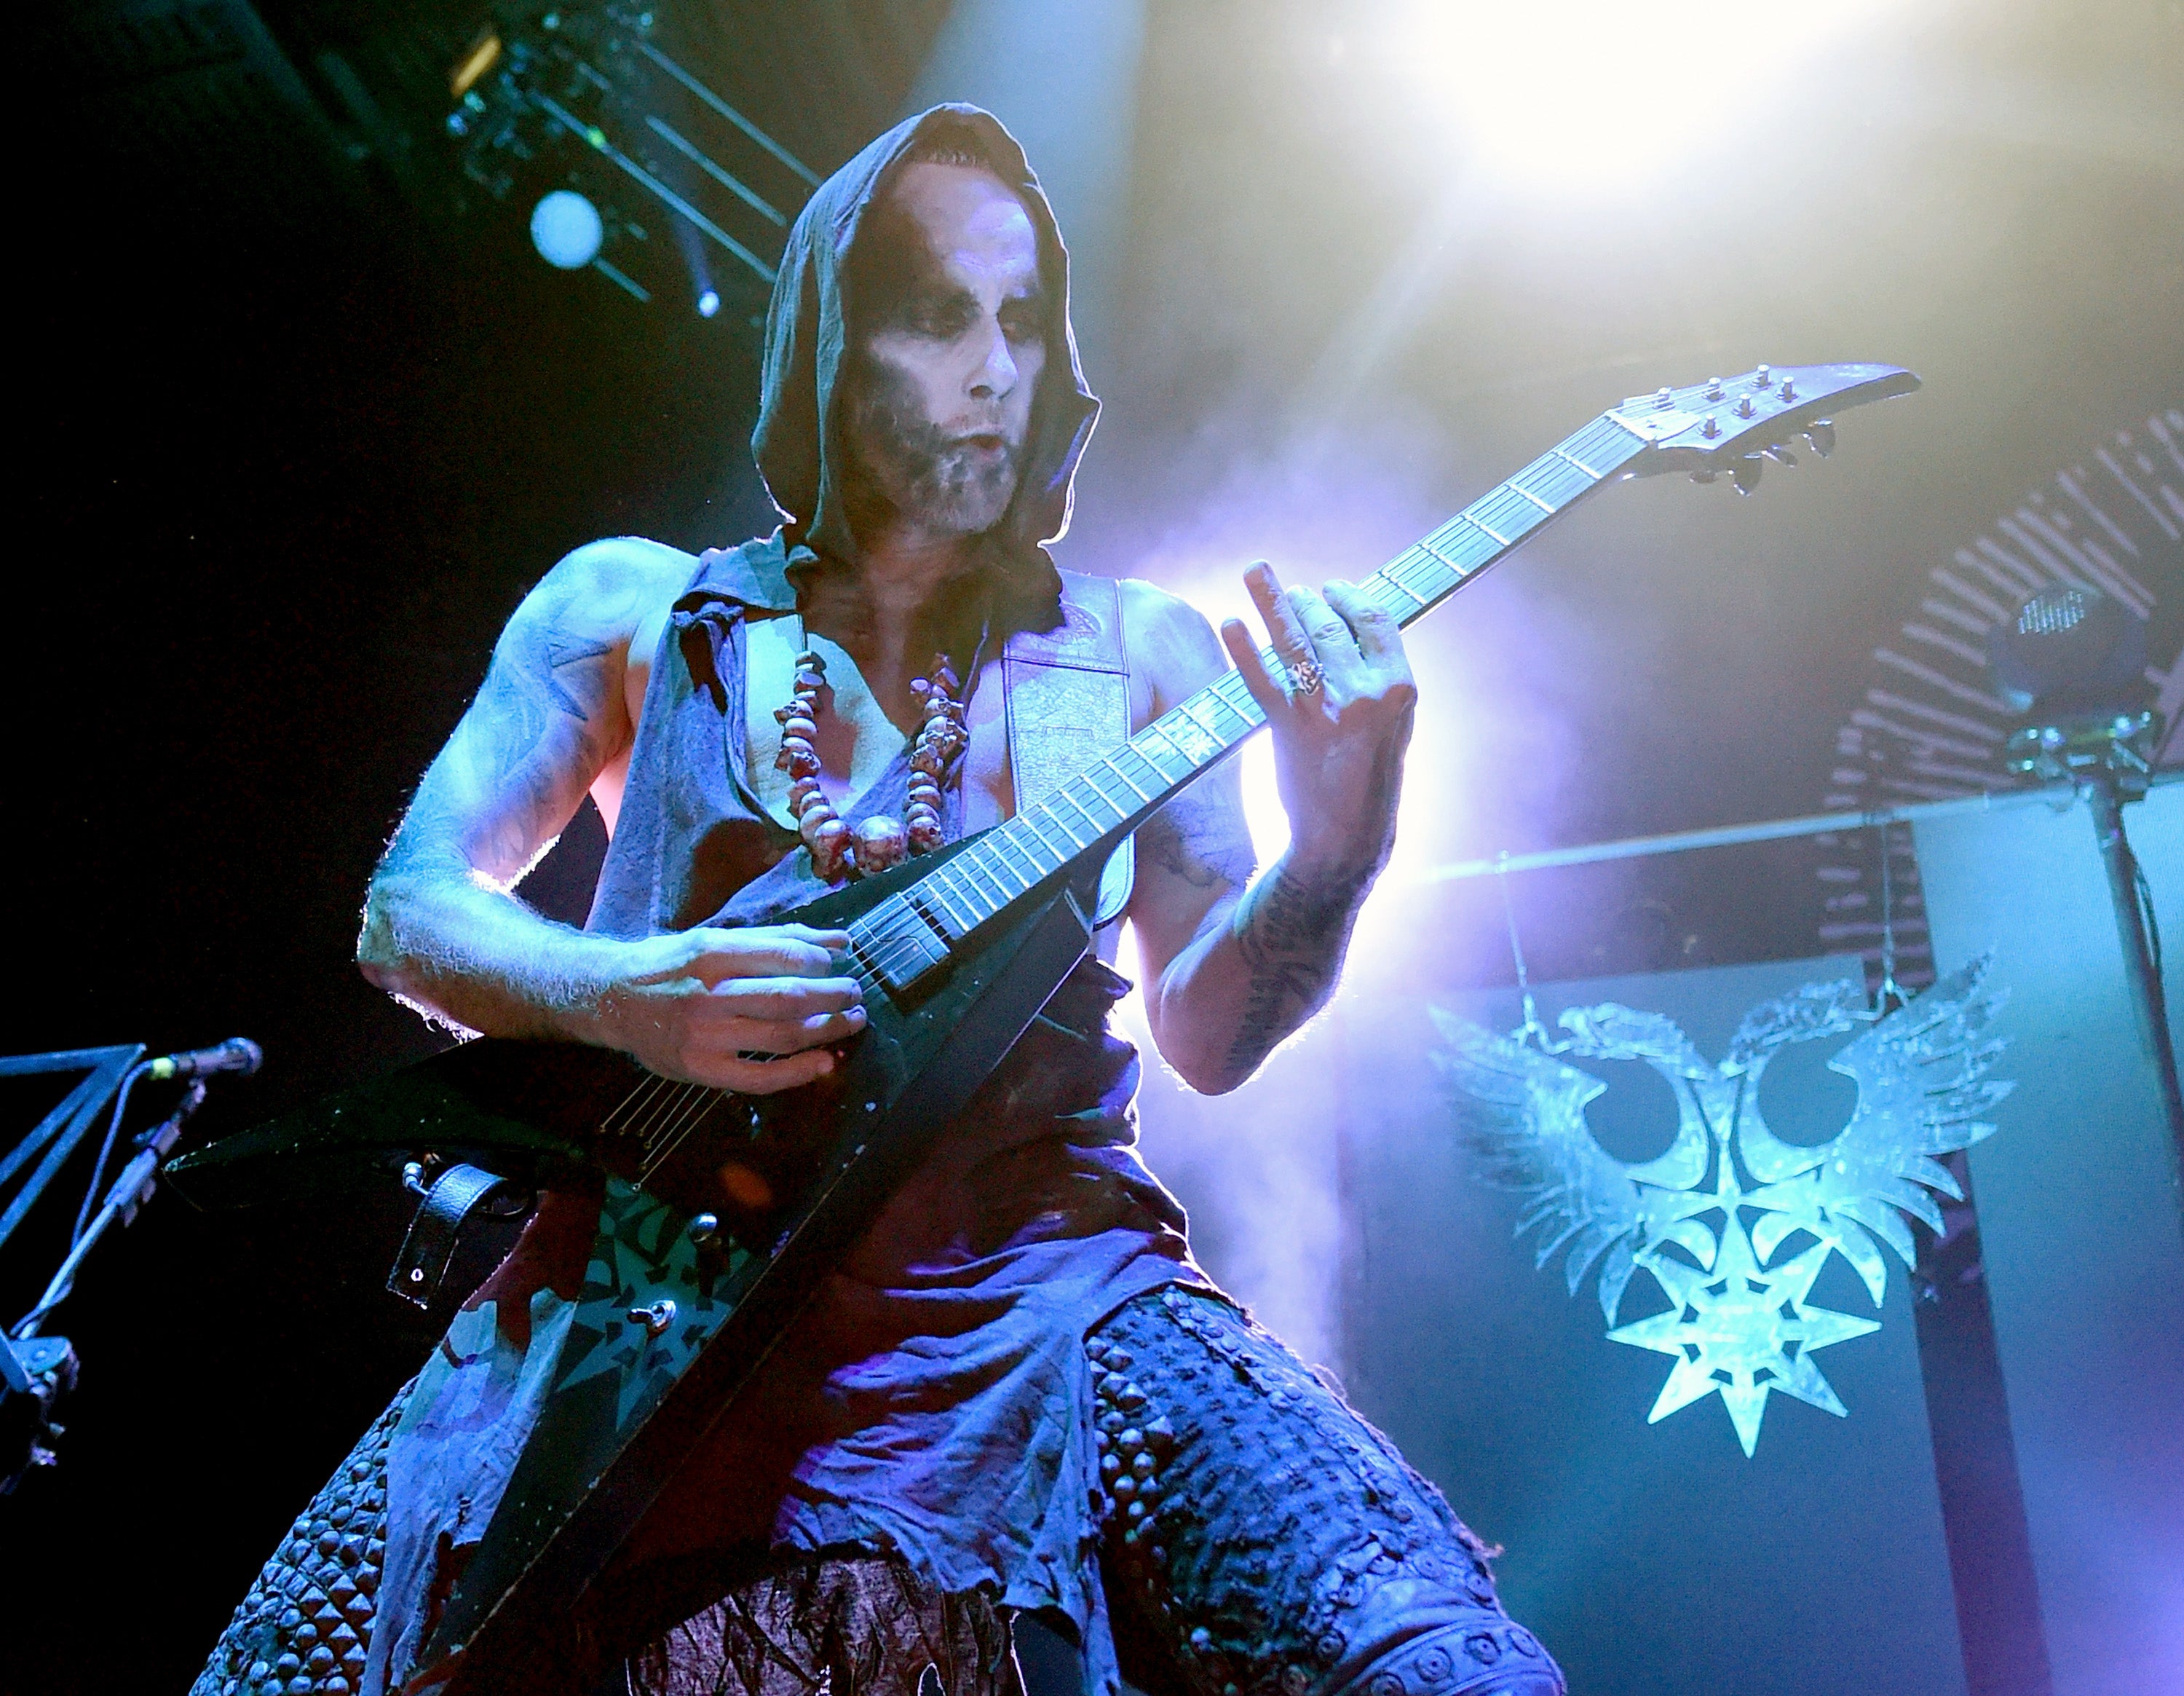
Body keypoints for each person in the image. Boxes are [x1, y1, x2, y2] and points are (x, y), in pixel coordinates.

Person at [194, 106, 1564, 1696]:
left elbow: (1210, 1028)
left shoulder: (1142, 658)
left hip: (1040, 1292)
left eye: (1023, 317)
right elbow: (411, 911)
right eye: (936, 314)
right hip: (641, 1298)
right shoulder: (633, 609)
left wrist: (1342, 840)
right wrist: (625, 997)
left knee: (1436, 1661)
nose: (996, 365)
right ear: (832, 343)